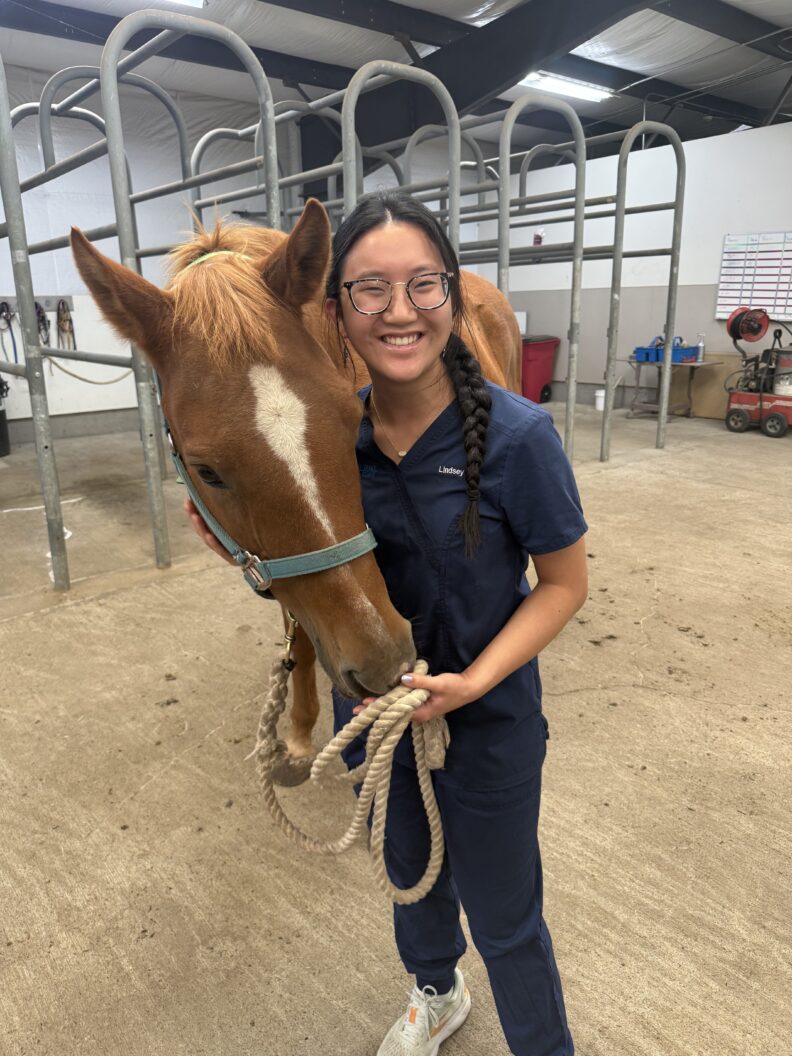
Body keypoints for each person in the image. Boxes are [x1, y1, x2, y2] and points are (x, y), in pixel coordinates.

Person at [187, 191, 588, 1056]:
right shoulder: (334, 437)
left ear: (452, 292)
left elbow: (564, 584)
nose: (399, 311)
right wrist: (245, 548)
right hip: (377, 710)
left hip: (489, 717)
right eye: (370, 289)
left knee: (507, 913)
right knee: (408, 868)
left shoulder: (519, 438)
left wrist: (475, 682)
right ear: (336, 310)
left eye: (423, 284)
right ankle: (436, 991)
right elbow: (313, 548)